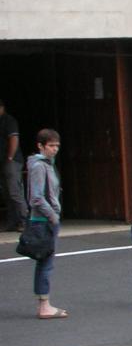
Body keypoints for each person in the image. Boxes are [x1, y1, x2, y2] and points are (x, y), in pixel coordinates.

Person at [27, 129, 67, 319]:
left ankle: (44, 303)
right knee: (46, 263)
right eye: (51, 146)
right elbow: (36, 197)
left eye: (57, 146)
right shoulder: (39, 166)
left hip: (46, 219)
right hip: (44, 220)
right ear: (40, 146)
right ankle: (44, 305)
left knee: (45, 262)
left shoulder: (47, 164)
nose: (55, 149)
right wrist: (53, 216)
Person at [1, 99, 28, 231]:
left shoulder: (9, 121)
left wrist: (10, 157)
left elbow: (14, 138)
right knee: (6, 192)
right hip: (2, 161)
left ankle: (24, 220)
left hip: (12, 160)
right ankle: (12, 221)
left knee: (14, 191)